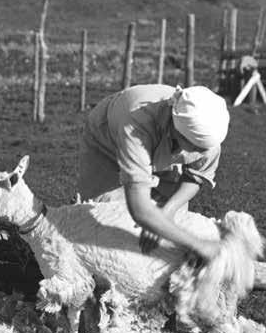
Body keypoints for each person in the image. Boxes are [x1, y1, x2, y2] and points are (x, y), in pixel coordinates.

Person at [77, 84, 230, 261]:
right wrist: (198, 244)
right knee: (103, 217)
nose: (201, 152)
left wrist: (168, 211)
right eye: (195, 147)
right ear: (177, 129)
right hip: (108, 144)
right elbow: (139, 209)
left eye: (204, 148)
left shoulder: (208, 135)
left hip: (166, 149)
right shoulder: (137, 122)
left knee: (170, 224)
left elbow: (196, 176)